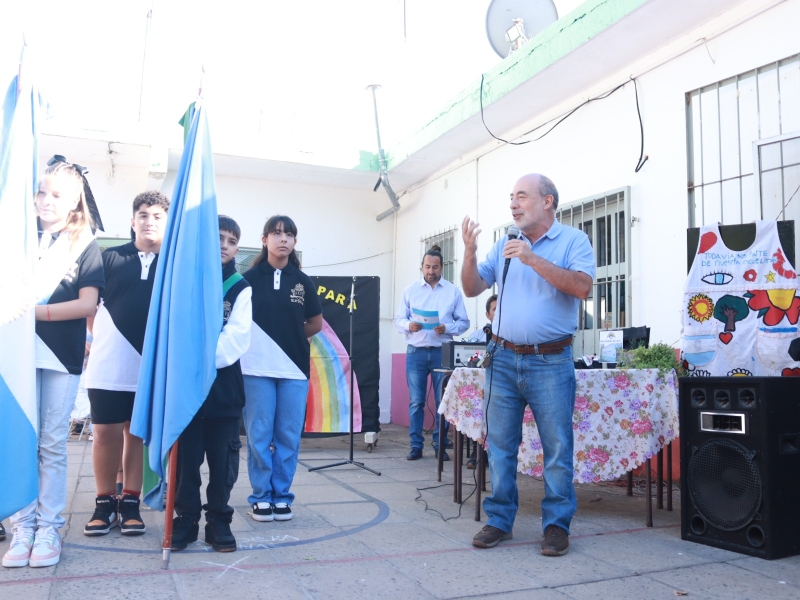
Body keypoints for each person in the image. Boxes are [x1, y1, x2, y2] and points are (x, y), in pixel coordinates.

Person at [461, 173, 594, 556]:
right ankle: (500, 520)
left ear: (548, 201)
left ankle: (555, 525)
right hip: (502, 359)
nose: (513, 204)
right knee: (500, 446)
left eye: (522, 196)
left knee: (556, 447)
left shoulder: (573, 241)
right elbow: (472, 288)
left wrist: (533, 259)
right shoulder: (504, 244)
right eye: (511, 198)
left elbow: (582, 287)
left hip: (551, 361)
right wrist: (469, 253)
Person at [3, 158, 104, 568]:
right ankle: (22, 525)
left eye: (56, 194)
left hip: (61, 355)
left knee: (51, 444)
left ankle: (49, 527)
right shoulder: (16, 238)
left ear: (74, 200)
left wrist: (34, 312)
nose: (46, 200)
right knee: (19, 439)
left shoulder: (84, 244)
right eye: (41, 192)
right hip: (16, 353)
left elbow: (87, 303)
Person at [82, 191, 170, 537]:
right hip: (108, 364)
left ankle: (130, 501)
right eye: (144, 215)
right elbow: (91, 312)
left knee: (137, 434)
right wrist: (108, 341)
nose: (150, 221)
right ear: (133, 221)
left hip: (149, 367)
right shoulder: (108, 257)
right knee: (104, 434)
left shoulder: (172, 264)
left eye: (158, 216)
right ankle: (104, 502)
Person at [171, 215, 252, 552]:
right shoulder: (184, 280)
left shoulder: (239, 287)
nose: (224, 245)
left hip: (222, 390)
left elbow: (236, 338)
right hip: (187, 390)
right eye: (219, 238)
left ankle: (218, 520)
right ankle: (186, 520)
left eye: (232, 241)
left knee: (223, 462)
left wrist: (199, 356)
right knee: (186, 461)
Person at [240, 215, 322, 523]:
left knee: (288, 436)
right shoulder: (248, 279)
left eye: (289, 234)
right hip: (256, 370)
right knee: (259, 434)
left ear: (295, 242)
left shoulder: (303, 281)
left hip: (294, 371)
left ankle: (282, 496)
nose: (282, 239)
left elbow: (315, 322)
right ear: (264, 240)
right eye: (276, 233)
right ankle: (261, 496)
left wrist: (287, 339)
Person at [394, 246, 470, 461]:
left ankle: (439, 444)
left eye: (435, 267)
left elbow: (464, 322)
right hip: (415, 351)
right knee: (416, 401)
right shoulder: (410, 291)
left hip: (441, 351)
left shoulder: (452, 291)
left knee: (442, 401)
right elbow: (398, 319)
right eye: (427, 266)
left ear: (442, 267)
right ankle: (416, 446)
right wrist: (410, 325)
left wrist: (447, 328)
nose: (431, 271)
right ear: (422, 267)